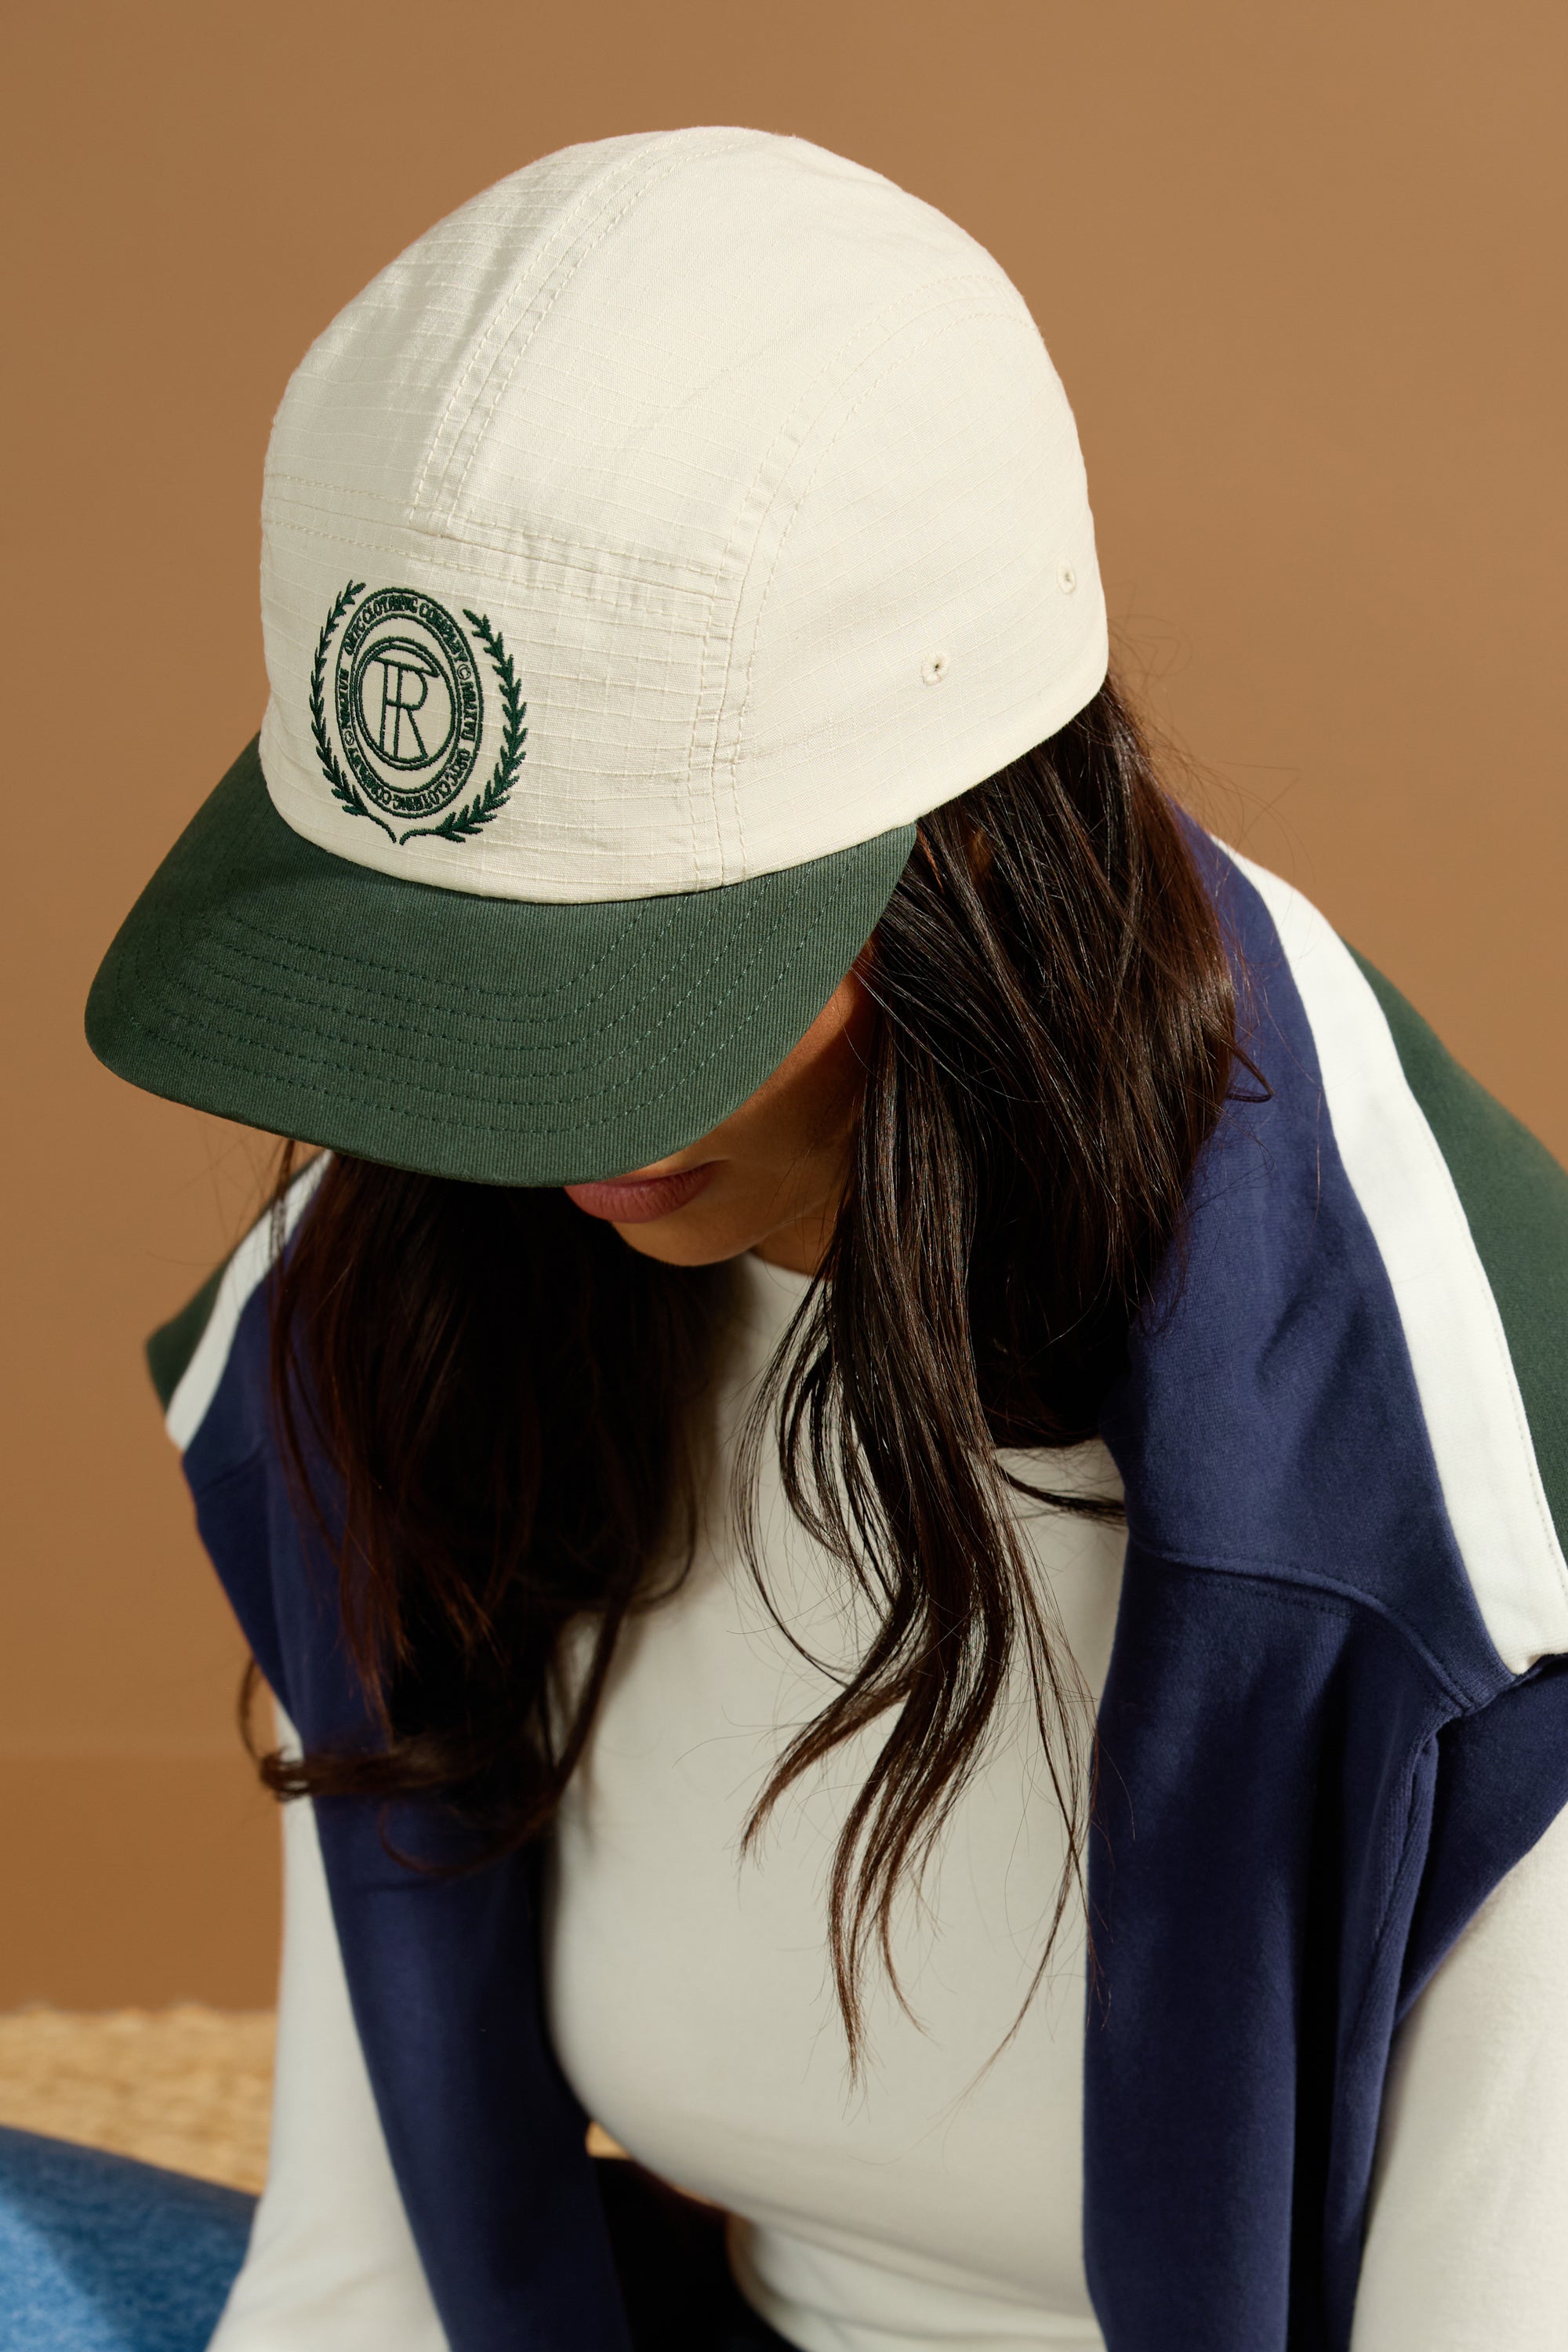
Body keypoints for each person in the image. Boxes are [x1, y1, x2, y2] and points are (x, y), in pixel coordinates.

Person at [80, 128, 1568, 2352]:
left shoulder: (1467, 1538)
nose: (535, 1121)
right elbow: (361, 2272)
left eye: (624, 984)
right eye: (452, 982)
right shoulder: (397, 1298)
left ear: (976, 843)